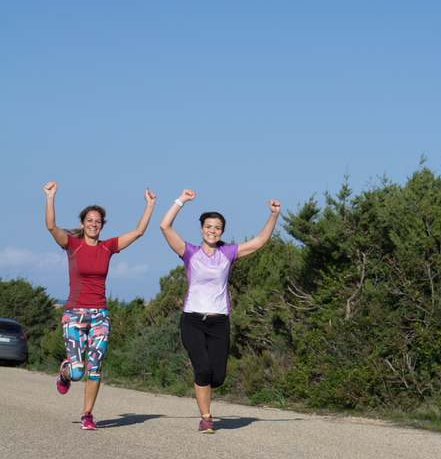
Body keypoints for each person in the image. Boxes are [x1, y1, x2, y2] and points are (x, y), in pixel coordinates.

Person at [160, 189, 281, 433]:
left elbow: (259, 242)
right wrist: (181, 200)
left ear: (222, 232)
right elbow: (165, 226)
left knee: (217, 378)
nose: (212, 231)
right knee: (203, 370)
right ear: (201, 229)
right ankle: (206, 417)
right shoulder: (189, 253)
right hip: (192, 320)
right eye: (208, 226)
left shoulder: (228, 254)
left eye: (217, 228)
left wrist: (273, 215)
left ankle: (203, 387)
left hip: (219, 322)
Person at [44, 181, 156, 430]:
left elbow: (138, 232)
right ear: (83, 223)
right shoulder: (72, 245)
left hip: (99, 316)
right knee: (77, 372)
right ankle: (65, 372)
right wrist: (50, 197)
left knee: (95, 368)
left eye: (98, 221)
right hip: (74, 314)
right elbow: (51, 226)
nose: (94, 224)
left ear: (102, 226)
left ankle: (87, 414)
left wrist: (149, 205)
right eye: (90, 220)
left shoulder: (108, 247)